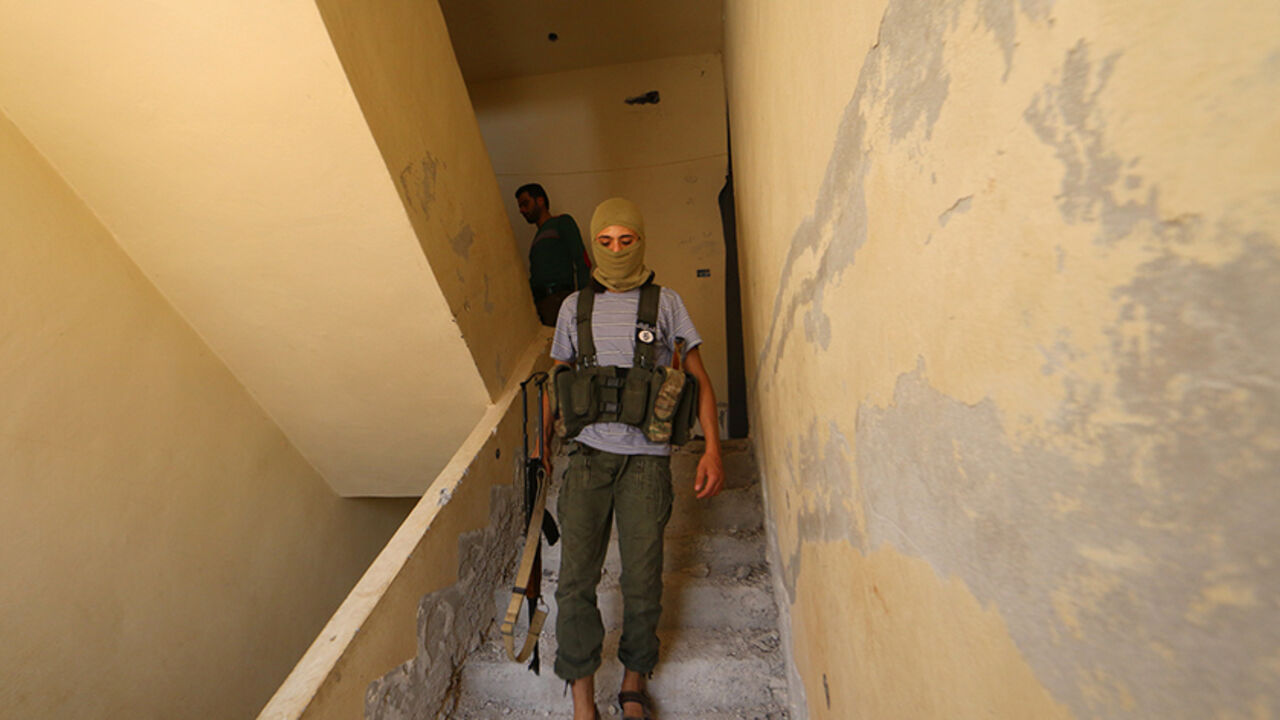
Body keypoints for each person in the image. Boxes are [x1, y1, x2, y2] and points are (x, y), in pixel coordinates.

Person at [543, 197, 724, 720]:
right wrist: (539, 449)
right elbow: (554, 384)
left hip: (647, 463)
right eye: (606, 242)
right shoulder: (573, 308)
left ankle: (632, 685)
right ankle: (581, 700)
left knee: (642, 578)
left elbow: (700, 379)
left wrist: (713, 448)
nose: (617, 251)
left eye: (626, 241)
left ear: (641, 241)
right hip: (588, 460)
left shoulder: (666, 303)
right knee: (576, 579)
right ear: (592, 246)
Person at [516, 183, 592, 326]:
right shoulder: (535, 241)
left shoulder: (561, 222)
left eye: (525, 204)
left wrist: (582, 302)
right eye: (520, 207)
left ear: (540, 200)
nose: (522, 210)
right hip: (542, 306)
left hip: (560, 299)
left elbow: (582, 261)